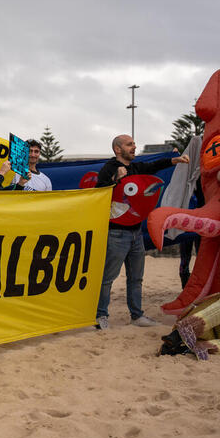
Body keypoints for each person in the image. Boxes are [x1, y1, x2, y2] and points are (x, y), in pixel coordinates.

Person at [95, 134, 188, 329]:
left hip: (136, 233)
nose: (134, 147)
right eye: (130, 144)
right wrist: (114, 179)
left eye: (134, 144)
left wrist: (175, 160)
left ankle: (136, 316)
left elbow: (154, 165)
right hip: (116, 233)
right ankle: (100, 316)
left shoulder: (136, 167)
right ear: (117, 149)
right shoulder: (109, 168)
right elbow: (98, 193)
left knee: (136, 278)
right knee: (107, 278)